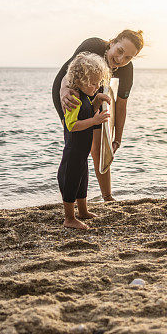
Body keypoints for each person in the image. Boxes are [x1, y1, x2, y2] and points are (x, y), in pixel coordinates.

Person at [51, 29, 145, 201]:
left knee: (98, 147)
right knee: (77, 145)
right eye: (120, 51)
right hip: (70, 91)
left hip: (96, 93)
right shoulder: (93, 45)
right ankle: (70, 200)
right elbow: (68, 74)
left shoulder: (126, 70)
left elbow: (121, 105)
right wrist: (65, 91)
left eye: (128, 57)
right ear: (113, 42)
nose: (120, 59)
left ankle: (107, 196)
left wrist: (117, 138)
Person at [57, 52, 111, 229]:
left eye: (98, 83)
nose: (96, 86)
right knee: (72, 183)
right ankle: (69, 218)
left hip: (82, 153)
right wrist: (95, 121)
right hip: (73, 152)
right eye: (93, 83)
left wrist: (96, 102)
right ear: (79, 81)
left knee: (83, 182)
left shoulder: (86, 96)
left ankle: (83, 211)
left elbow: (87, 112)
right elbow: (72, 125)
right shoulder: (74, 98)